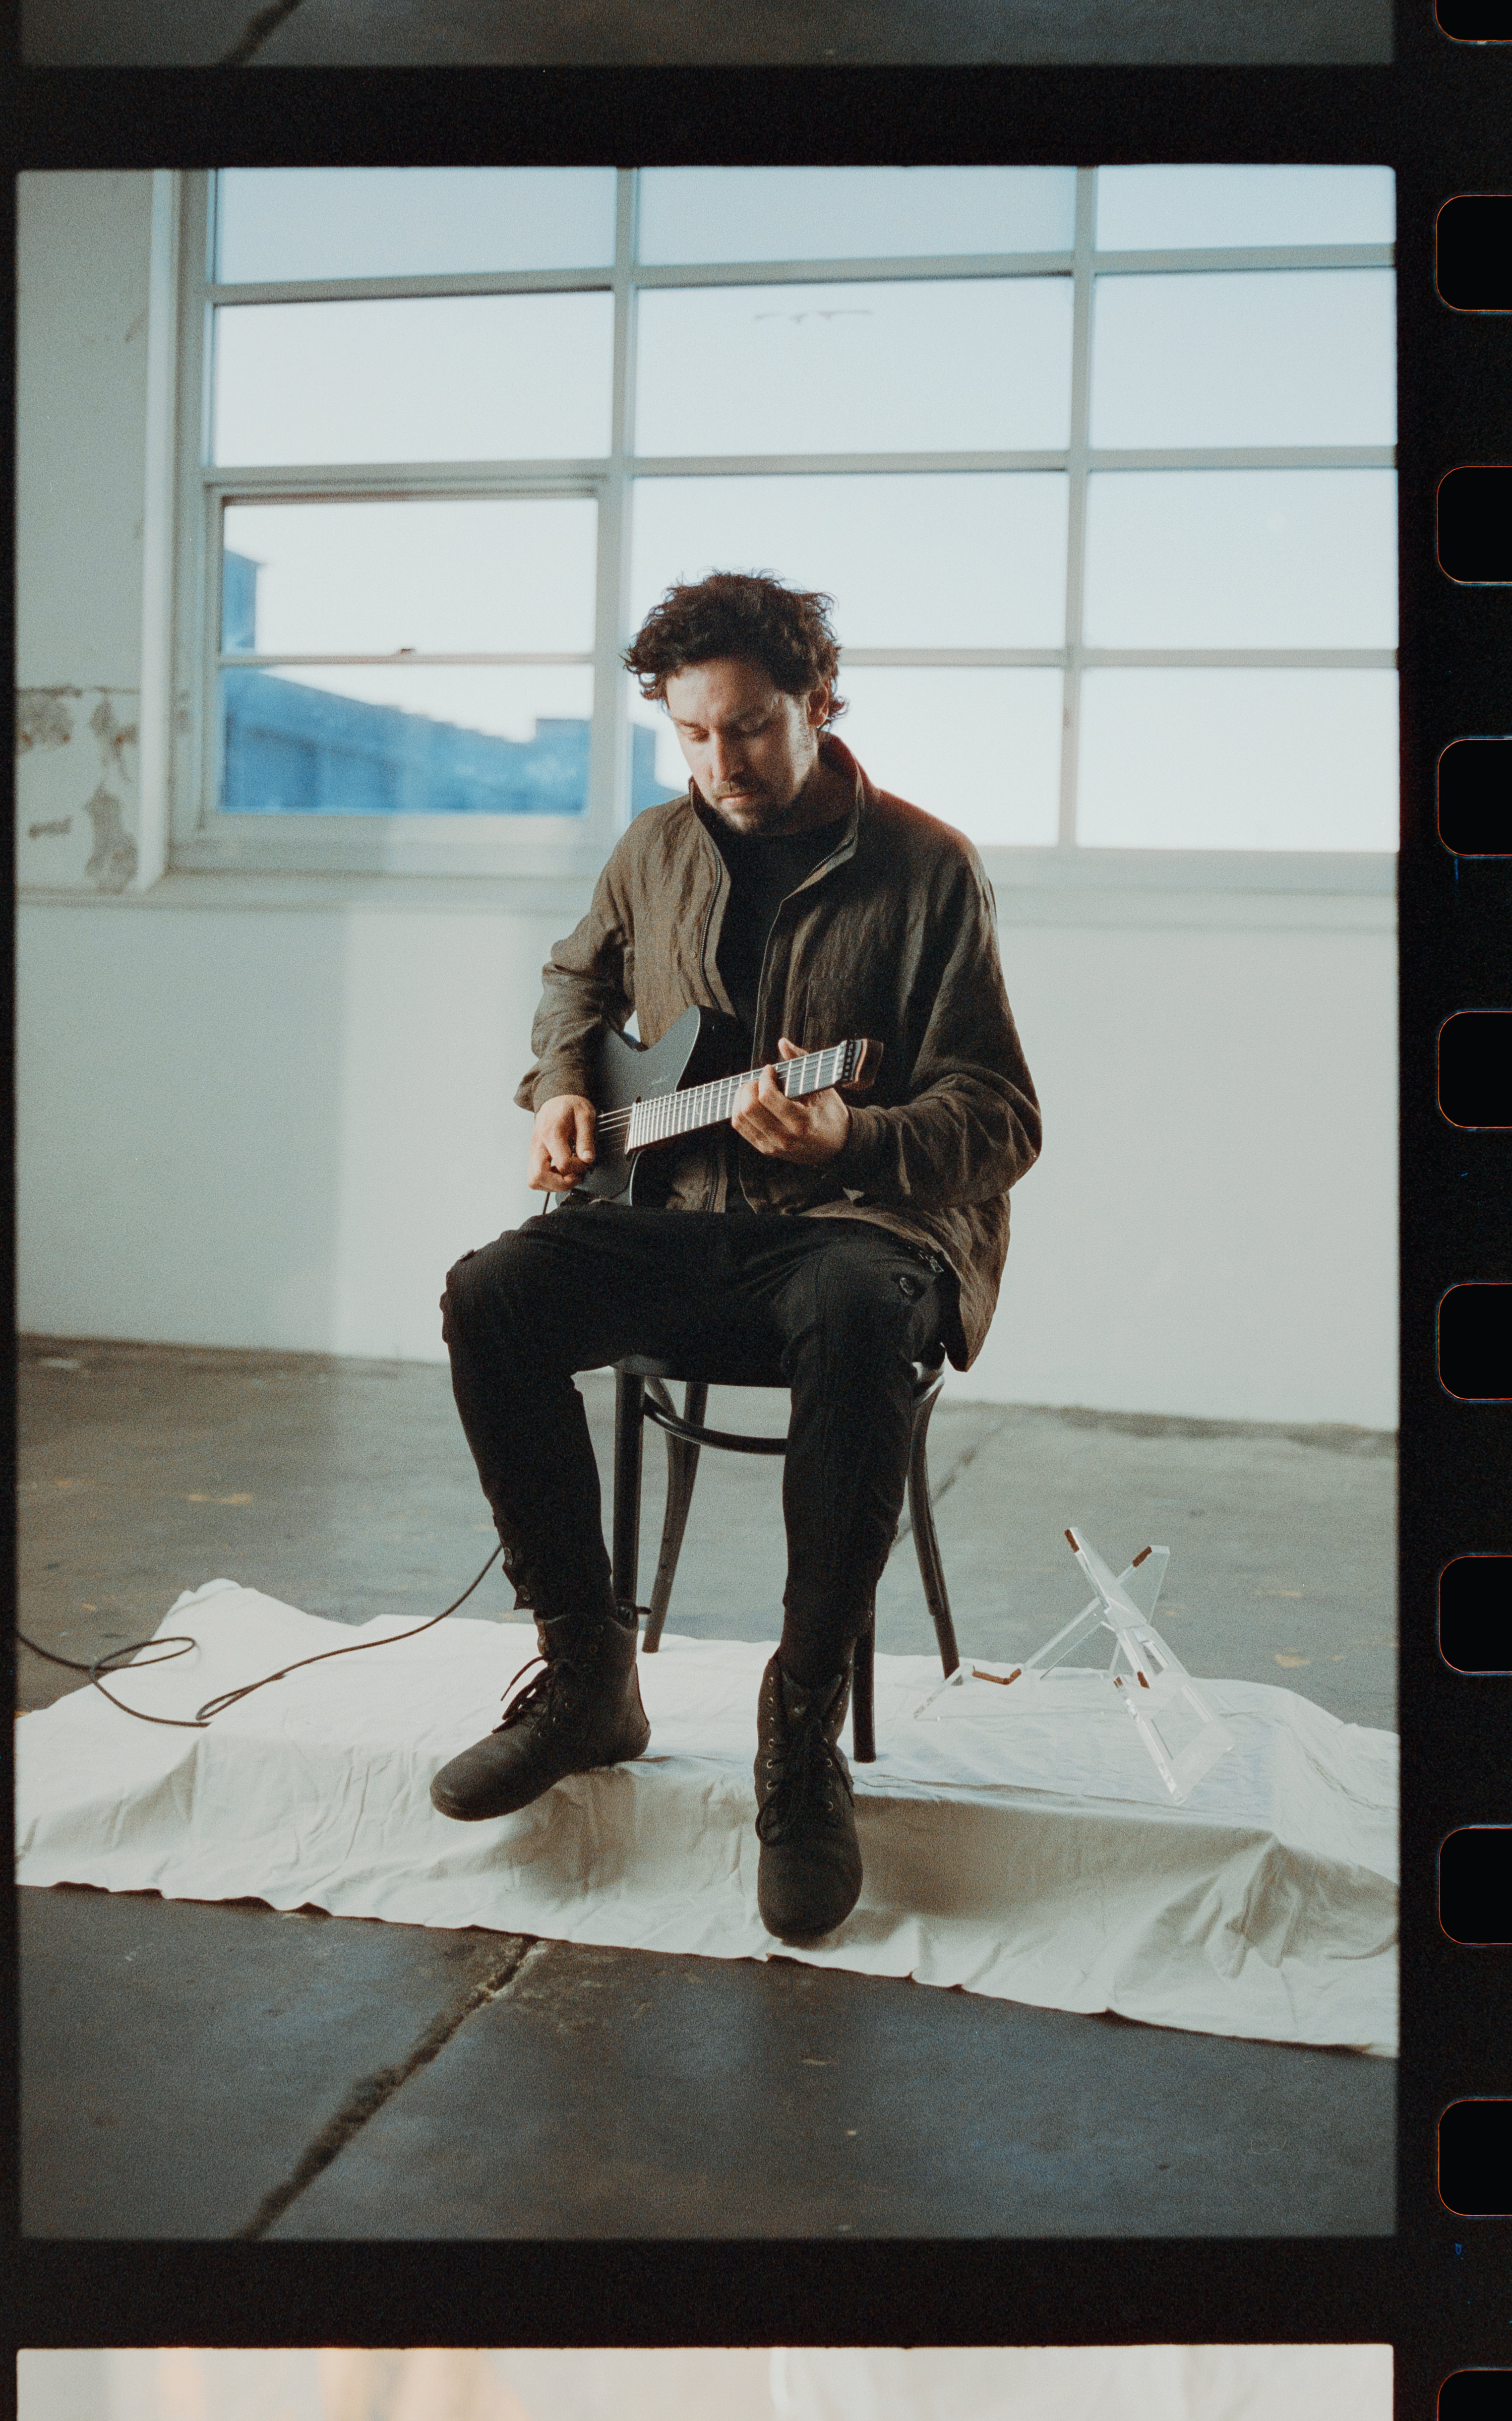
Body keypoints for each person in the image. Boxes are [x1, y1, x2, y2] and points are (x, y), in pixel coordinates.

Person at [434, 571, 1040, 1942]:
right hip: (675, 1221)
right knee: (494, 1290)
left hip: (854, 1239)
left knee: (849, 1299)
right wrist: (556, 1089)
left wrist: (852, 1137)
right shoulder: (653, 847)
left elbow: (1001, 1116)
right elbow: (574, 983)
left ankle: (799, 1726)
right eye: (693, 733)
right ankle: (586, 1675)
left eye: (753, 728)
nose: (723, 763)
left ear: (820, 702)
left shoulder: (928, 867)